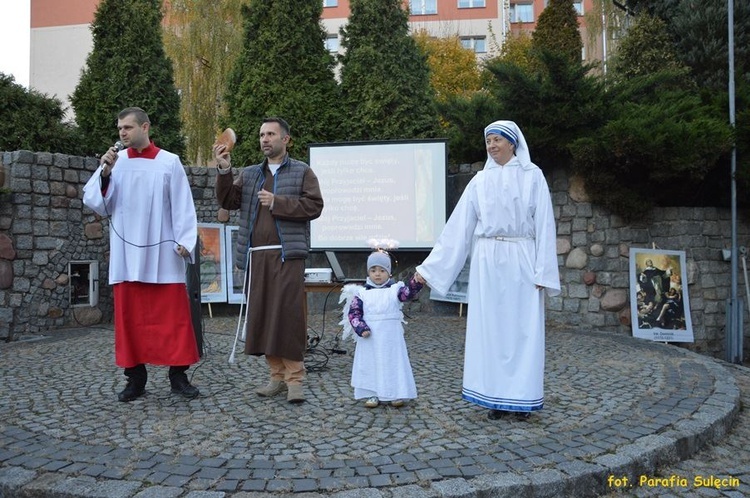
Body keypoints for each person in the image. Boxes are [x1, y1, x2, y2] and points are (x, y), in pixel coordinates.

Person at [415, 120, 560, 421]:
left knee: (522, 329)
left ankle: (522, 398)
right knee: (491, 329)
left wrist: (543, 272)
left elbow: (545, 225)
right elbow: (457, 229)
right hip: (488, 262)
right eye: (488, 141)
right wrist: (428, 271)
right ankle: (495, 397)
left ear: (512, 143)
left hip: (522, 258)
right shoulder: (479, 182)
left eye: (497, 140)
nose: (492, 146)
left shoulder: (533, 177)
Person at [82, 106, 201, 402]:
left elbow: (183, 204)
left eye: (128, 127)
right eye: (120, 128)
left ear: (145, 127)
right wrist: (105, 174)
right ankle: (135, 379)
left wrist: (186, 239)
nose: (122, 133)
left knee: (173, 320)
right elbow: (96, 202)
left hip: (163, 255)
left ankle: (178, 376)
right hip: (126, 256)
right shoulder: (115, 162)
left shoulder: (169, 162)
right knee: (130, 320)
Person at [213, 117, 324, 403]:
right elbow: (228, 201)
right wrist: (224, 170)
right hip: (256, 258)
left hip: (287, 256)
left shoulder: (302, 171)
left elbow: (315, 206)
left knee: (287, 316)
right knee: (264, 317)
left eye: (271, 134)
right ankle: (276, 377)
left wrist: (278, 202)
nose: (265, 139)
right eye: (262, 134)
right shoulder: (250, 174)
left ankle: (295, 379)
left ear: (285, 139)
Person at [342, 250, 423, 408]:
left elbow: (408, 294)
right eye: (373, 271)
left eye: (382, 270)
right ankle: (372, 393)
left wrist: (416, 282)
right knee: (371, 364)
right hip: (370, 338)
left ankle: (395, 392)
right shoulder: (361, 293)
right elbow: (354, 314)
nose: (377, 274)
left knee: (392, 362)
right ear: (368, 272)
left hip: (391, 337)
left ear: (389, 272)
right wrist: (361, 328)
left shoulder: (395, 290)